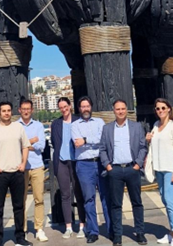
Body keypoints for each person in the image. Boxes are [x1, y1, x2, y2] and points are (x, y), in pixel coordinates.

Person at [0, 101, 31, 246]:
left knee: (19, 207)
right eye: (4, 111)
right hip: (0, 174)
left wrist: (23, 163)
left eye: (9, 110)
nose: (7, 113)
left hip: (17, 173)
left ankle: (20, 237)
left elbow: (26, 146)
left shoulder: (18, 127)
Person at [99, 99, 147, 246]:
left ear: (127, 110)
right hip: (115, 170)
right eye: (118, 109)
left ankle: (139, 232)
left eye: (123, 109)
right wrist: (108, 166)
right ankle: (118, 235)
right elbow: (102, 149)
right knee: (115, 204)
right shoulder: (107, 129)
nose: (120, 111)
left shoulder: (136, 126)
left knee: (137, 202)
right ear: (113, 110)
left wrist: (138, 165)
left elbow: (143, 147)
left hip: (132, 168)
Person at [71, 96, 111, 244]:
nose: (85, 109)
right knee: (88, 199)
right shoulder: (75, 125)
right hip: (84, 165)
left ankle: (111, 228)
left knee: (106, 197)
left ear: (91, 107)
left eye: (88, 106)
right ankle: (93, 231)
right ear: (79, 109)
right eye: (83, 107)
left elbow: (103, 139)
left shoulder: (100, 122)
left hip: (100, 162)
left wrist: (86, 140)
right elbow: (77, 142)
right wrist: (92, 140)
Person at [146, 97, 173, 246]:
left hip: (170, 168)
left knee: (170, 201)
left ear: (169, 108)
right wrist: (149, 139)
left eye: (163, 108)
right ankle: (171, 232)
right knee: (165, 200)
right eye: (158, 108)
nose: (160, 110)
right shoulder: (156, 125)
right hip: (159, 169)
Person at [51, 96, 86, 238]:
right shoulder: (56, 123)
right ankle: (68, 226)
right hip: (61, 162)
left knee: (79, 193)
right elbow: (54, 142)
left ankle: (82, 224)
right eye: (61, 107)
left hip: (76, 161)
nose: (64, 109)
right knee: (65, 195)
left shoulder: (78, 121)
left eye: (66, 106)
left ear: (70, 106)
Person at [18, 99, 48, 242]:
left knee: (39, 198)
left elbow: (41, 145)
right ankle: (22, 229)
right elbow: (15, 146)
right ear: (19, 110)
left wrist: (25, 144)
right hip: (20, 167)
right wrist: (32, 141)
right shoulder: (15, 126)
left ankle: (39, 228)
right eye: (23, 108)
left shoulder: (39, 125)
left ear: (32, 110)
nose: (26, 111)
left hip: (37, 166)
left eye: (28, 108)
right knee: (20, 200)